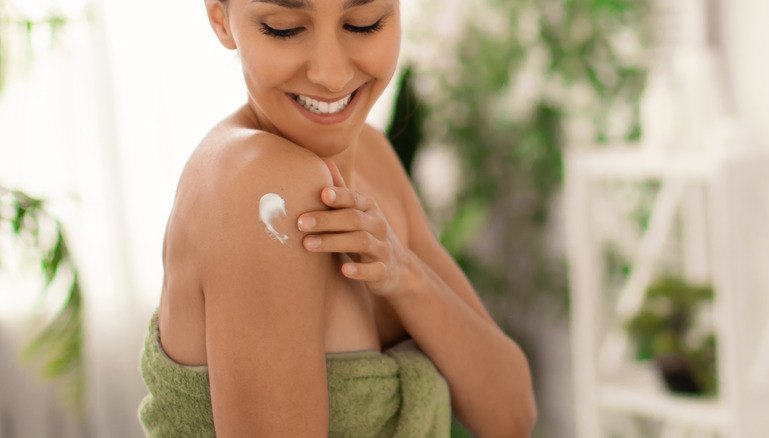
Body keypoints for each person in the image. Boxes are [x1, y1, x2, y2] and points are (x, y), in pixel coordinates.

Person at [138, 0, 537, 436]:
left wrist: (404, 275)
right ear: (221, 19)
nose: (331, 75)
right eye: (284, 28)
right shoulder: (262, 187)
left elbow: (512, 414)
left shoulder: (372, 155)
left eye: (364, 24)